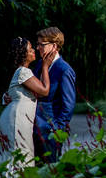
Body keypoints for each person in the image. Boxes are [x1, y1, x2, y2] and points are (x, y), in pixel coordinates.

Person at [0, 37, 55, 172]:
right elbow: (44, 91)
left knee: (18, 153)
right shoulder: (23, 72)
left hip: (19, 117)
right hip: (17, 119)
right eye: (30, 49)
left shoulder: (23, 73)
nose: (34, 50)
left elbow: (36, 92)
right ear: (24, 54)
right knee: (19, 153)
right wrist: (45, 66)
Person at [30, 26, 76, 163]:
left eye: (41, 45)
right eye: (37, 44)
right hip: (34, 129)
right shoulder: (39, 64)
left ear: (54, 46)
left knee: (50, 171)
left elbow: (68, 105)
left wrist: (56, 129)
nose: (37, 48)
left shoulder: (64, 70)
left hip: (50, 132)